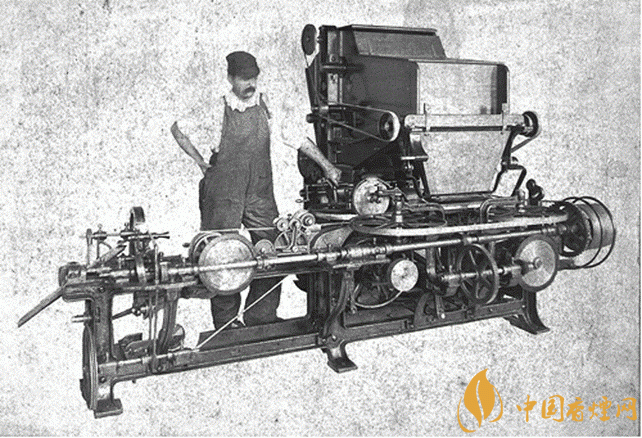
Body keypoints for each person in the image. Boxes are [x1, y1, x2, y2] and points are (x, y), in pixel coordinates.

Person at [171, 51, 341, 329]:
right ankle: (226, 324)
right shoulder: (216, 108)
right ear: (230, 79)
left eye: (253, 78)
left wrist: (327, 166)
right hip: (223, 190)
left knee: (275, 248)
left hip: (259, 190)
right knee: (223, 255)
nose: (250, 85)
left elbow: (295, 136)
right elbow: (178, 129)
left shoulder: (265, 103)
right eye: (243, 79)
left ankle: (260, 316)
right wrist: (200, 162)